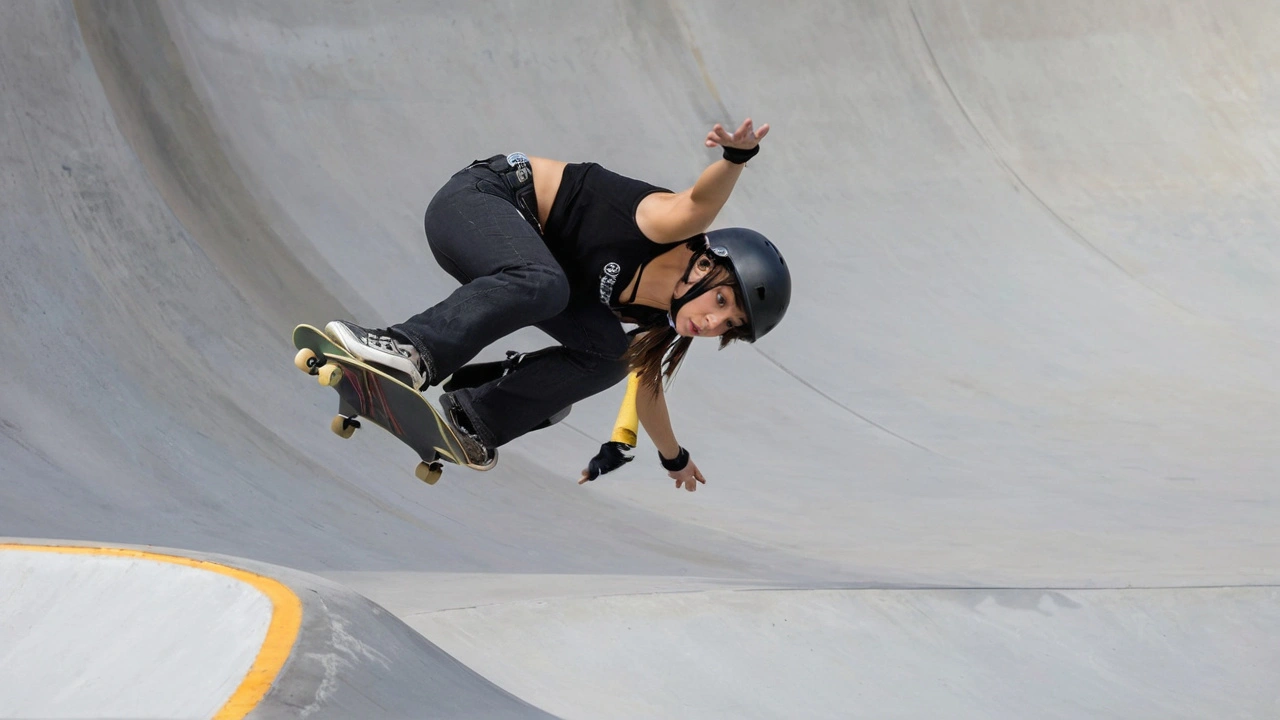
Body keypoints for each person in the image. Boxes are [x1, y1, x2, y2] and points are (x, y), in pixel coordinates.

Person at [326, 118, 791, 492]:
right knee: (546, 284)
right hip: (477, 202)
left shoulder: (661, 318)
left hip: (518, 270)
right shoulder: (667, 225)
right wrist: (735, 158)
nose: (712, 322)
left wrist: (675, 457)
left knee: (612, 355)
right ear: (707, 262)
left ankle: (477, 418)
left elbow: (646, 392)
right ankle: (404, 347)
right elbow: (700, 202)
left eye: (728, 325)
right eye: (722, 300)